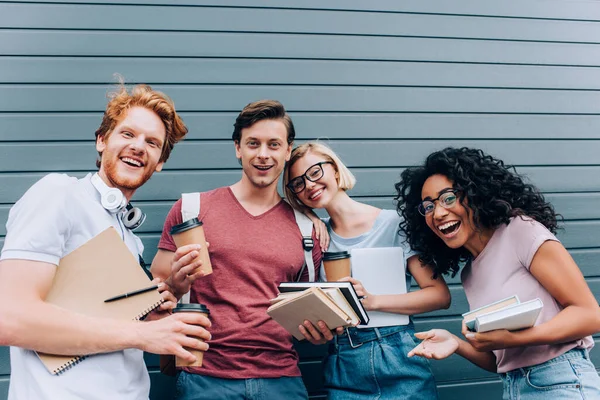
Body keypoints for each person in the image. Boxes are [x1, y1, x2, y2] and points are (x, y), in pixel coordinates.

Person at [0, 83, 212, 400]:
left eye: (152, 142)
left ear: (160, 162)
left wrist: (156, 307)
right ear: (102, 141)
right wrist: (143, 333)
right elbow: (10, 318)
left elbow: (103, 325)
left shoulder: (128, 237)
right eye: (128, 134)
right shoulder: (59, 193)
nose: (139, 146)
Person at [151, 100, 324, 400]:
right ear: (238, 148)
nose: (263, 154)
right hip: (204, 377)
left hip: (281, 380)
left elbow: (307, 313)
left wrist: (319, 329)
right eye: (253, 143)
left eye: (274, 144)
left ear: (287, 151)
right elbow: (155, 295)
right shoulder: (192, 209)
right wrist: (174, 286)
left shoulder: (308, 229)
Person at [396, 147, 600, 399]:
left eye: (448, 198)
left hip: (562, 381)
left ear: (476, 193)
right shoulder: (470, 273)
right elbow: (501, 360)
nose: (437, 213)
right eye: (428, 206)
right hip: (515, 387)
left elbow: (590, 315)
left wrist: (516, 338)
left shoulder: (521, 231)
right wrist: (456, 343)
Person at [283, 141, 450, 400]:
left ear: (335, 170)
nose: (309, 185)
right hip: (344, 364)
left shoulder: (394, 224)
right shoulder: (313, 236)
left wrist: (372, 301)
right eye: (298, 183)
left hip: (398, 357)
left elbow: (439, 295)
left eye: (315, 172)